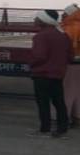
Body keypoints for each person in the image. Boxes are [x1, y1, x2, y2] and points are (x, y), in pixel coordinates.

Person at [29, 10, 72, 138]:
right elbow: (70, 55)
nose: (34, 20)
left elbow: (39, 56)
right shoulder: (63, 35)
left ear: (44, 21)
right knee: (59, 102)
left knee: (43, 103)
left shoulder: (41, 36)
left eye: (37, 18)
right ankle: (62, 129)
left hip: (42, 74)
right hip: (58, 74)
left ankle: (45, 129)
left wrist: (31, 64)